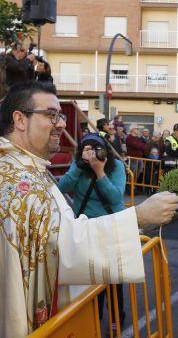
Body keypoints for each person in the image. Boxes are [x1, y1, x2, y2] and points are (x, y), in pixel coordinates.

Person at [0, 82, 178, 338]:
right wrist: (139, 217)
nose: (62, 124)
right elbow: (62, 248)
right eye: (51, 114)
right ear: (19, 119)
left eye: (61, 115)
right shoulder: (22, 185)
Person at [57, 133, 127, 329]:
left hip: (111, 227)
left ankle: (116, 319)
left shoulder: (117, 167)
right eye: (87, 149)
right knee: (91, 279)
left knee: (113, 278)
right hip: (86, 229)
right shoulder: (79, 167)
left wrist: (100, 172)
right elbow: (61, 187)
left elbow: (115, 197)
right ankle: (94, 320)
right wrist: (79, 166)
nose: (92, 153)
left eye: (96, 149)